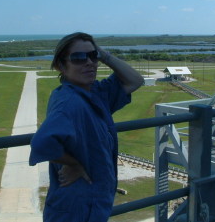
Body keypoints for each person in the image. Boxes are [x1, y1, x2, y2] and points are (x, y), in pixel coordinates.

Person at [29, 32, 144, 222]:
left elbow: (135, 80)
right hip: (76, 207)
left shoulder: (96, 93)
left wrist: (104, 54)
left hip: (91, 203)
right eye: (78, 58)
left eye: (92, 56)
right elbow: (41, 144)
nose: (89, 62)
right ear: (60, 66)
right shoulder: (69, 102)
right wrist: (73, 163)